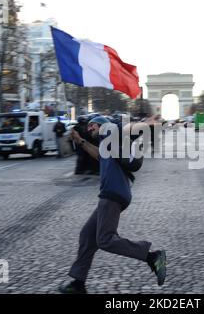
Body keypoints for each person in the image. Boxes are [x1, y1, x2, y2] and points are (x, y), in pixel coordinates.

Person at [60, 116, 166, 294]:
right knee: (87, 235)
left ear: (101, 124)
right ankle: (78, 282)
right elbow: (99, 155)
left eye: (92, 124)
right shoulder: (108, 145)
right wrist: (81, 141)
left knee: (105, 239)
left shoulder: (109, 130)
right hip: (114, 193)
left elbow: (127, 129)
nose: (89, 128)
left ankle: (152, 257)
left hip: (113, 194)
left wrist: (145, 125)